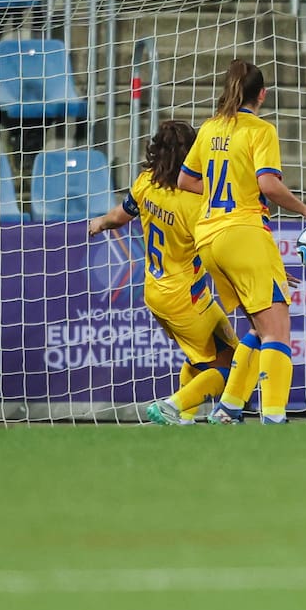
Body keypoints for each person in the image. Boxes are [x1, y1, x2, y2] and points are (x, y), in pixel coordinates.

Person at [178, 59, 306, 424]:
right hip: (245, 233)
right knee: (278, 330)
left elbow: (185, 181)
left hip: (210, 240)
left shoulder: (209, 128)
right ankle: (274, 415)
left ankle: (229, 407)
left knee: (259, 327)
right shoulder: (260, 130)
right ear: (262, 94)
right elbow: (268, 184)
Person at [88, 120, 238, 425]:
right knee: (233, 365)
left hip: (157, 292)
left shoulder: (146, 182)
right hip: (186, 299)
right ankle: (174, 405)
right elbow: (214, 251)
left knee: (205, 356)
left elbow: (120, 215)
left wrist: (101, 222)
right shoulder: (195, 202)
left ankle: (183, 418)